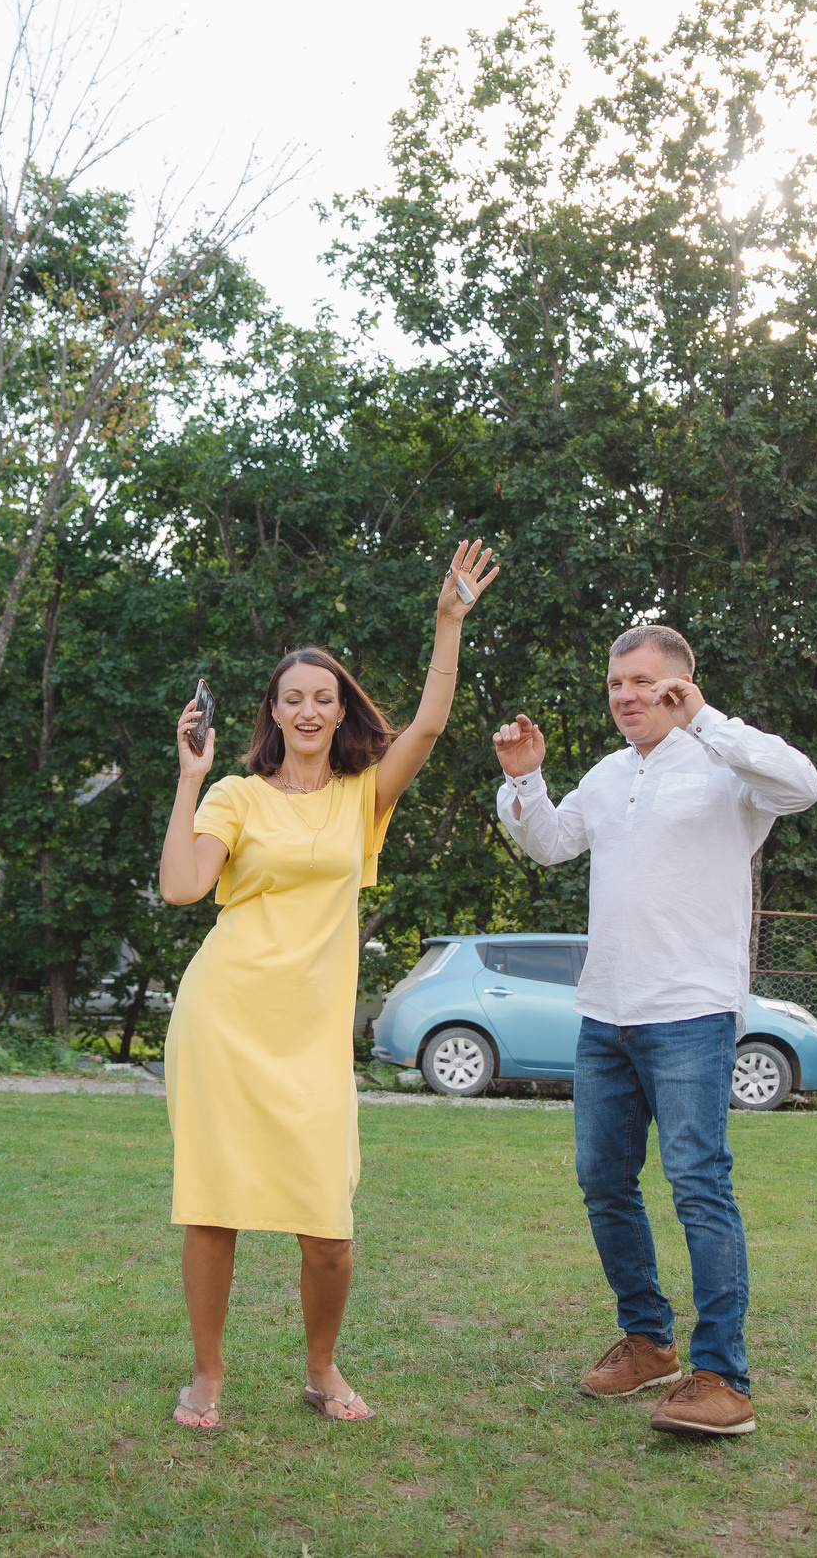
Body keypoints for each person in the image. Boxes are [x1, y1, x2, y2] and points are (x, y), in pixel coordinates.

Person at [157, 540, 500, 1431]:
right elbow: (184, 887)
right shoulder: (234, 792)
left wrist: (447, 624)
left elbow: (426, 725)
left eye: (324, 696)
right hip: (226, 1014)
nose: (309, 710)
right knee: (213, 1204)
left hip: (309, 1035)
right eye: (292, 698)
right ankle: (207, 1372)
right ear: (272, 711)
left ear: (340, 706)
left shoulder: (361, 795)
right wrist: (190, 780)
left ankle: (320, 1367)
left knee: (328, 1228)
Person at [491, 624, 817, 1438]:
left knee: (698, 1183)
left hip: (691, 1009)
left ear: (682, 682)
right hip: (606, 1011)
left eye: (644, 681)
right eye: (616, 684)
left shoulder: (726, 765)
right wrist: (526, 781)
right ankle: (647, 1341)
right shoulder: (607, 776)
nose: (628, 696)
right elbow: (551, 843)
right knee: (603, 1179)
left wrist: (707, 719)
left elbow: (803, 784)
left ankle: (723, 1374)